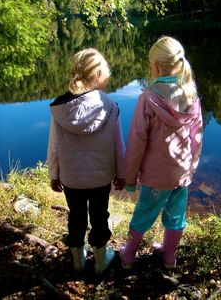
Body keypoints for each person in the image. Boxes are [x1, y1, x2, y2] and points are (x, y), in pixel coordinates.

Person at [119, 36, 203, 269]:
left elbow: (137, 141)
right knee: (176, 216)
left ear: (155, 67)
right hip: (181, 173)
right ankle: (168, 256)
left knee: (144, 212)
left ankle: (128, 255)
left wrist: (130, 178)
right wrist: (191, 167)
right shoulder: (191, 96)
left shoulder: (148, 98)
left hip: (157, 176)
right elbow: (197, 138)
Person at [47, 48, 125, 273]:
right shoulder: (110, 105)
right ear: (100, 75)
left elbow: (54, 146)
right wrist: (122, 174)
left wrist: (54, 174)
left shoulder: (61, 108)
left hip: (71, 178)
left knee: (76, 216)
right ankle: (101, 261)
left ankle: (77, 260)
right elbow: (118, 146)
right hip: (100, 178)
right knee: (100, 216)